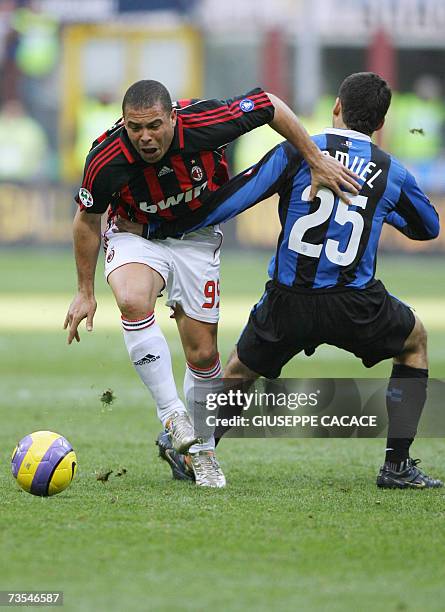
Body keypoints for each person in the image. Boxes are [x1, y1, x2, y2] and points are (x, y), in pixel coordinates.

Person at [121, 73, 440, 489]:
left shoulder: (295, 153)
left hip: (288, 301)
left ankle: (195, 446)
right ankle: (397, 465)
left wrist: (157, 229)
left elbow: (234, 199)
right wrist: (377, 208)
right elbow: (428, 227)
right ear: (380, 124)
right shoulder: (390, 171)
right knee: (414, 342)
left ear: (336, 108)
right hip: (355, 302)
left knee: (239, 370)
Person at [64, 79, 359, 488]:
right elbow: (87, 219)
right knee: (132, 301)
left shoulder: (205, 121)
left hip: (197, 239)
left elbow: (269, 104)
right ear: (124, 123)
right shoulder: (105, 157)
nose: (145, 137)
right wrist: (84, 291)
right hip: (135, 234)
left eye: (154, 125)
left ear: (172, 117)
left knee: (202, 355)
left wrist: (314, 158)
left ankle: (202, 451)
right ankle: (172, 414)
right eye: (135, 128)